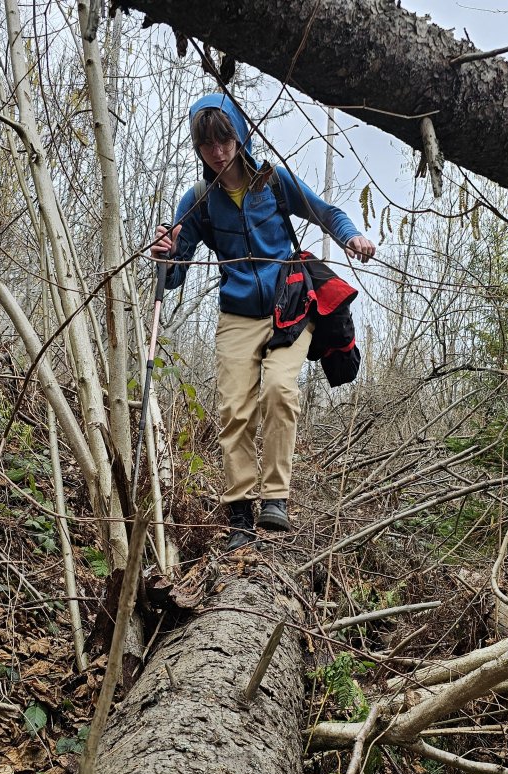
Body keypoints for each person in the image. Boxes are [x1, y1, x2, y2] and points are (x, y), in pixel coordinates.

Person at [151, 93, 375, 550]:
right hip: (236, 313)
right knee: (233, 409)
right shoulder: (197, 201)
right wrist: (166, 257)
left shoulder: (273, 182)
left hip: (288, 303)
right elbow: (175, 276)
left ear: (238, 134)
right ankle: (239, 515)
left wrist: (352, 237)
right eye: (207, 144)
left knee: (279, 389)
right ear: (198, 147)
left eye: (224, 138)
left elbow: (327, 212)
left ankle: (276, 499)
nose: (218, 151)